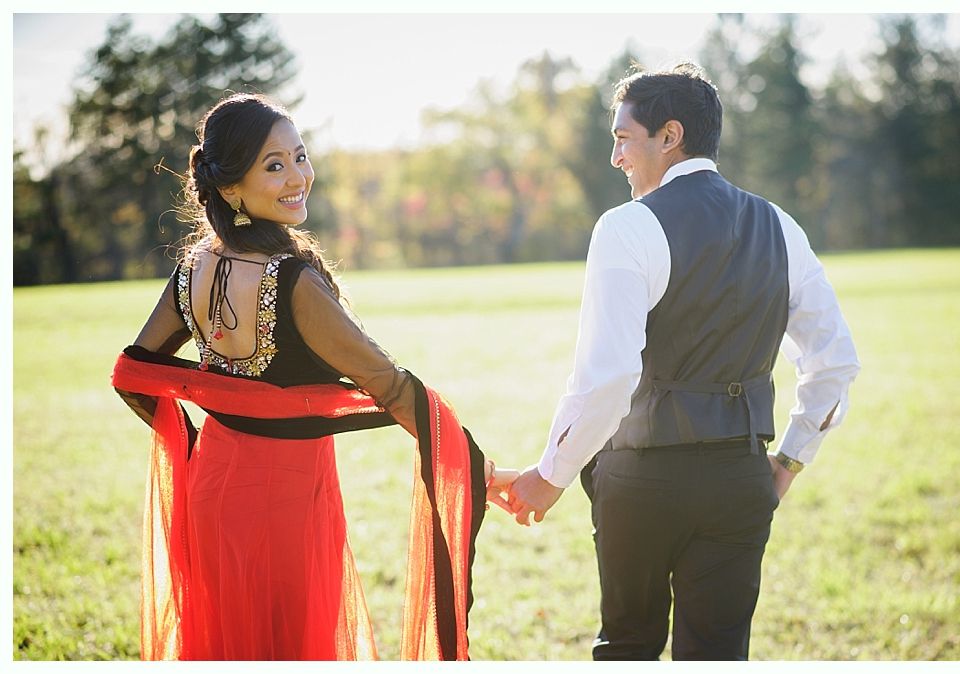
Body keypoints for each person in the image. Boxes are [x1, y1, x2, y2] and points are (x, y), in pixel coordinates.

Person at [110, 93, 517, 660]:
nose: (298, 176)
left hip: (211, 491)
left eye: (300, 156)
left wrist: (198, 439)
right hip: (286, 502)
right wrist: (479, 470)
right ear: (230, 188)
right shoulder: (292, 282)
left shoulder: (192, 267)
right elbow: (392, 387)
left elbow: (133, 372)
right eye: (273, 165)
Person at [508, 63, 861, 660]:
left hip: (643, 482)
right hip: (741, 479)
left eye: (623, 138)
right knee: (720, 656)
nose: (615, 156)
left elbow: (609, 378)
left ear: (669, 136)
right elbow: (834, 365)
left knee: (628, 649)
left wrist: (551, 474)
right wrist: (788, 462)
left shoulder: (626, 227)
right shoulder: (780, 225)